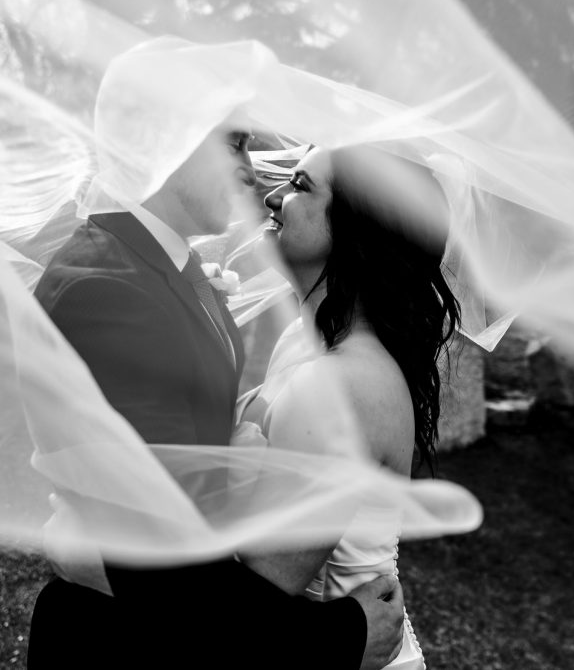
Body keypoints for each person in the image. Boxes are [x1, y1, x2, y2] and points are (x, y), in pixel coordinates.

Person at [26, 43, 406, 670]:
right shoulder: (108, 292)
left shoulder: (166, 271)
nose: (258, 171)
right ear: (165, 139)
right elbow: (166, 580)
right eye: (234, 143)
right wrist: (343, 636)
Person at [235, 143, 462, 670]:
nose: (272, 197)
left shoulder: (343, 386)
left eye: (299, 186)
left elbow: (260, 596)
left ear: (357, 228)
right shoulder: (306, 339)